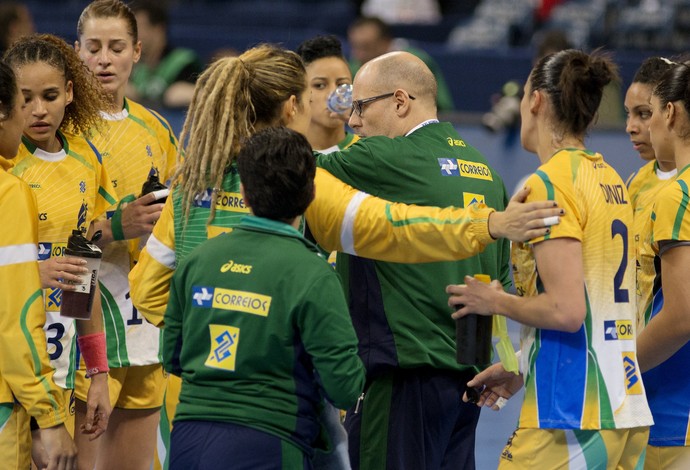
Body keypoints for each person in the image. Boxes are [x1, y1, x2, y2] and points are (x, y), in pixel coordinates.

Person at [129, 43, 562, 469]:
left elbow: (150, 297)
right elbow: (396, 228)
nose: (348, 118)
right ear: (291, 108)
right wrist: (488, 225)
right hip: (293, 413)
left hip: (194, 414)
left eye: (354, 100)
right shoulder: (321, 213)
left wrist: (223, 328)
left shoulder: (190, 190)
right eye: (318, 89)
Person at [446, 49, 653, 468]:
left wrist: (494, 302)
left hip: (572, 415)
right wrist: (521, 367)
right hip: (621, 409)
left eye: (523, 95)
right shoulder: (611, 177)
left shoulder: (550, 183)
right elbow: (594, 310)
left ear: (536, 101)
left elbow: (566, 310)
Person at [316, 50, 512, 470]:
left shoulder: (381, 157)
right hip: (467, 386)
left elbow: (282, 170)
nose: (352, 122)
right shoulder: (488, 174)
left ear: (400, 101)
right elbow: (497, 286)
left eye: (361, 107)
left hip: (400, 381)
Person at [163, 125, 366, 469]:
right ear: (311, 193)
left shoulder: (198, 260)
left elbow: (173, 356)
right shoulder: (314, 274)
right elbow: (344, 386)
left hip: (187, 441)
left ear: (243, 191)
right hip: (270, 443)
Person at [73, 1, 179, 468]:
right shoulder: (62, 132)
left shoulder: (156, 127)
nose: (104, 59)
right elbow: (62, 239)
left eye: (116, 47)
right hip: (85, 326)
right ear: (76, 51)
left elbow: (179, 216)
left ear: (137, 52)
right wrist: (117, 225)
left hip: (147, 326)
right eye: (93, 47)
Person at [4, 33, 115, 463]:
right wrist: (32, 273)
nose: (37, 109)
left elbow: (82, 276)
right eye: (24, 98)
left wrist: (99, 372)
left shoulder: (86, 165)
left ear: (69, 92)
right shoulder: (7, 162)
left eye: (49, 95)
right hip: (10, 358)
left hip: (60, 364)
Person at [0, 58, 77, 470]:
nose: (31, 113)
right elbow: (15, 321)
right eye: (20, 101)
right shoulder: (9, 192)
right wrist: (47, 417)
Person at [635, 62, 690, 469]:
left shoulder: (678, 196)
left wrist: (613, 369)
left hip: (673, 418)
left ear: (670, 113)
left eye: (649, 112)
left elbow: (681, 317)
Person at [623, 56, 678, 327]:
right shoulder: (634, 183)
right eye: (628, 113)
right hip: (635, 353)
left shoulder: (683, 191)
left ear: (669, 111)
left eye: (643, 113)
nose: (630, 127)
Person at [347, 16, 455, 112]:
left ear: (385, 42)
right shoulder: (355, 66)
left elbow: (439, 107)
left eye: (366, 47)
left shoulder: (416, 63)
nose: (358, 55)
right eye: (355, 46)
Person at [127, 0, 203, 109]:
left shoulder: (184, 62)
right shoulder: (139, 69)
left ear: (159, 30)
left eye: (140, 27)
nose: (134, 35)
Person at [297, 34, 359, 154]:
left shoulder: (368, 153)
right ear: (299, 92)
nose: (333, 93)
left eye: (342, 85)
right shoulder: (285, 156)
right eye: (319, 85)